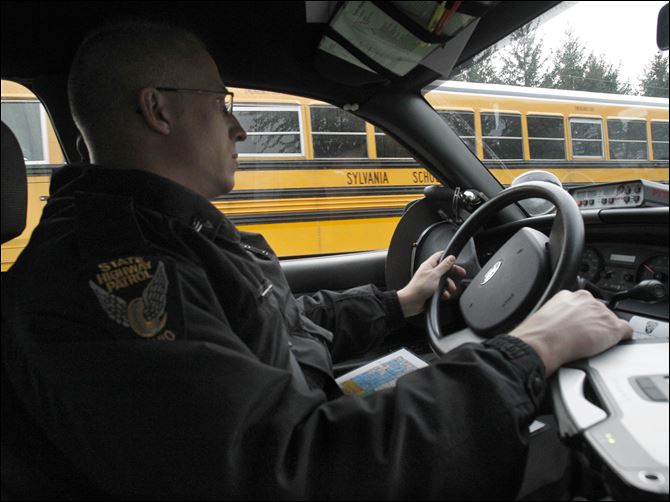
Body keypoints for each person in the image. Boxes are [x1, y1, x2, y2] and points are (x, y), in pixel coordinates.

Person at [1, 21, 632, 500]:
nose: (239, 129)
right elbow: (288, 468)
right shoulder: (113, 278)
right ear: (157, 109)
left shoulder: (163, 237)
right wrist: (531, 350)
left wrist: (398, 302)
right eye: (222, 105)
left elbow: (272, 323)